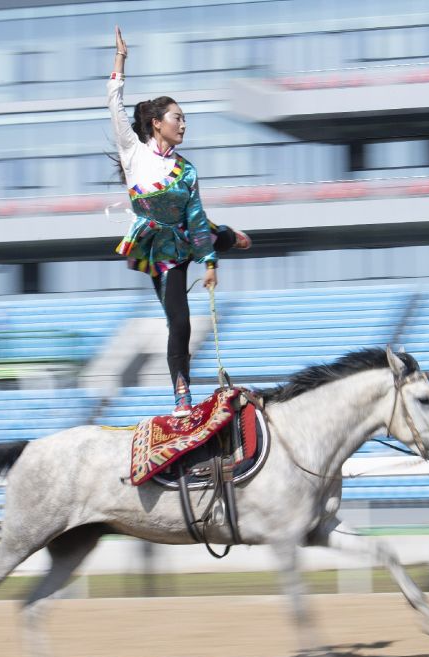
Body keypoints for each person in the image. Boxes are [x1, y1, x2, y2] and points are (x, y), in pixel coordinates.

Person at [107, 26, 251, 418]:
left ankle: (227, 238)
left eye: (185, 119)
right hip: (158, 248)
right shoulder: (133, 151)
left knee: (211, 232)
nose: (184, 125)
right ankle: (181, 391)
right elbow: (113, 103)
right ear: (157, 122)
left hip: (189, 236)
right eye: (178, 118)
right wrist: (121, 59)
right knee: (180, 321)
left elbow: (195, 216)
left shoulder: (187, 170)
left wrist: (210, 264)